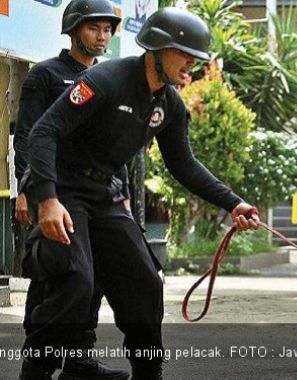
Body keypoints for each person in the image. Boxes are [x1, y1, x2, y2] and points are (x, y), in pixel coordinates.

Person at [21, 7, 259, 380]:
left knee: (146, 282)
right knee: (75, 282)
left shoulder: (169, 104)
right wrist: (46, 198)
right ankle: (37, 369)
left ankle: (148, 373)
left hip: (105, 193)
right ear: (159, 49)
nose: (191, 68)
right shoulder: (107, 78)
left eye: (197, 61)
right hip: (63, 188)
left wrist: (234, 203)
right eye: (186, 57)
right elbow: (42, 132)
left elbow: (185, 165)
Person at [15, 1, 130, 379]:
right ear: (73, 28)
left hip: (100, 197)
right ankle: (38, 363)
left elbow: (116, 145)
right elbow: (30, 136)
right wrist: (25, 190)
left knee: (92, 277)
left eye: (108, 29)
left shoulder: (111, 79)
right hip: (53, 191)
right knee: (56, 275)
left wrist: (123, 192)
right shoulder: (46, 76)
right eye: (94, 28)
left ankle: (80, 359)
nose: (103, 36)